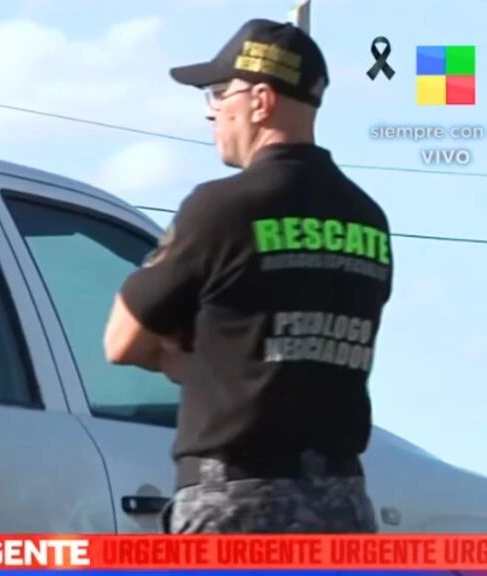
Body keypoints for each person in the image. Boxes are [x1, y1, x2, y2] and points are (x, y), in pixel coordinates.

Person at [103, 18, 392, 533]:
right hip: (343, 505)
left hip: (236, 504)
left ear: (261, 101)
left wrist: (185, 359)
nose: (211, 111)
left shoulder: (220, 209)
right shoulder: (367, 219)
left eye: (220, 93)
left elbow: (121, 341)